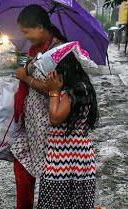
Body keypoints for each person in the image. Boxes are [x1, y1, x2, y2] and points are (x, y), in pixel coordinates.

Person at [10, 4, 67, 209]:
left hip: (47, 129)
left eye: (27, 32)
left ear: (40, 28)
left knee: (47, 177)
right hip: (30, 123)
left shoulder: (59, 53)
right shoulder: (36, 49)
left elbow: (56, 89)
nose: (25, 37)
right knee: (22, 170)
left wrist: (26, 78)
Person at [38, 52, 99, 209]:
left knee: (56, 201)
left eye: (55, 72)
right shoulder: (82, 87)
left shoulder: (77, 90)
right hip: (75, 155)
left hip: (66, 156)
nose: (51, 75)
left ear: (64, 71)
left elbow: (56, 118)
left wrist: (54, 91)